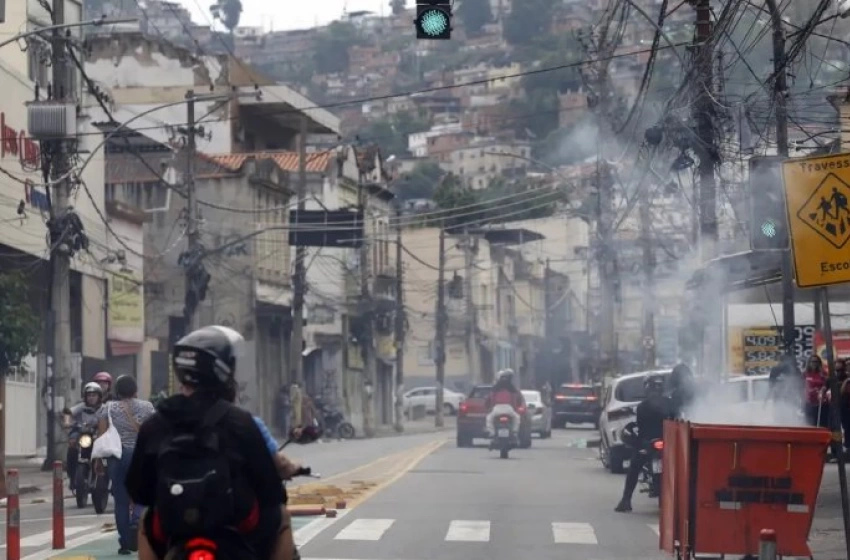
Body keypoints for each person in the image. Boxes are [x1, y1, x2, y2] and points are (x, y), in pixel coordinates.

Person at [126, 326, 290, 560]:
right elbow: (270, 488)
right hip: (234, 529)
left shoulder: (156, 423)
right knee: (281, 516)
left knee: (145, 521)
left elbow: (139, 490)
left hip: (176, 529)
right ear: (223, 370)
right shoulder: (240, 421)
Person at [97, 375, 155, 554]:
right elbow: (154, 430)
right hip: (140, 456)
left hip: (117, 456)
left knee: (121, 501)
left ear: (117, 391)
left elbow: (102, 433)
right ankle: (136, 520)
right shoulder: (147, 407)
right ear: (135, 390)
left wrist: (99, 460)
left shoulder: (108, 407)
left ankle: (124, 542)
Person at [615, 376, 675, 513]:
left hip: (648, 444)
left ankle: (626, 500)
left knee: (634, 468)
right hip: (668, 444)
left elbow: (641, 428)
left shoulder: (643, 406)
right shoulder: (670, 404)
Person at [65, 382, 104, 492]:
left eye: (94, 395)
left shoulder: (104, 408)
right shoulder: (81, 407)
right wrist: (67, 423)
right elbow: (67, 412)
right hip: (82, 434)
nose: (91, 398)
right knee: (72, 446)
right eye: (89, 395)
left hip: (98, 435)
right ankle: (72, 476)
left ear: (99, 396)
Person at [484, 369, 524, 443]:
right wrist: (517, 407)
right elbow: (518, 400)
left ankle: (492, 433)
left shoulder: (494, 389)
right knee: (517, 418)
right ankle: (515, 432)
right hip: (509, 409)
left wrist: (487, 407)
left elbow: (489, 400)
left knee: (489, 418)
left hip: (497, 409)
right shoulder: (512, 389)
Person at [803, 355, 829, 428]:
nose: (814, 363)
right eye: (812, 361)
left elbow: (827, 385)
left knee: (822, 423)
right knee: (809, 423)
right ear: (809, 362)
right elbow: (800, 386)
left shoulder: (823, 374)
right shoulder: (805, 373)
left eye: (816, 361)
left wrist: (822, 389)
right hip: (809, 402)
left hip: (821, 403)